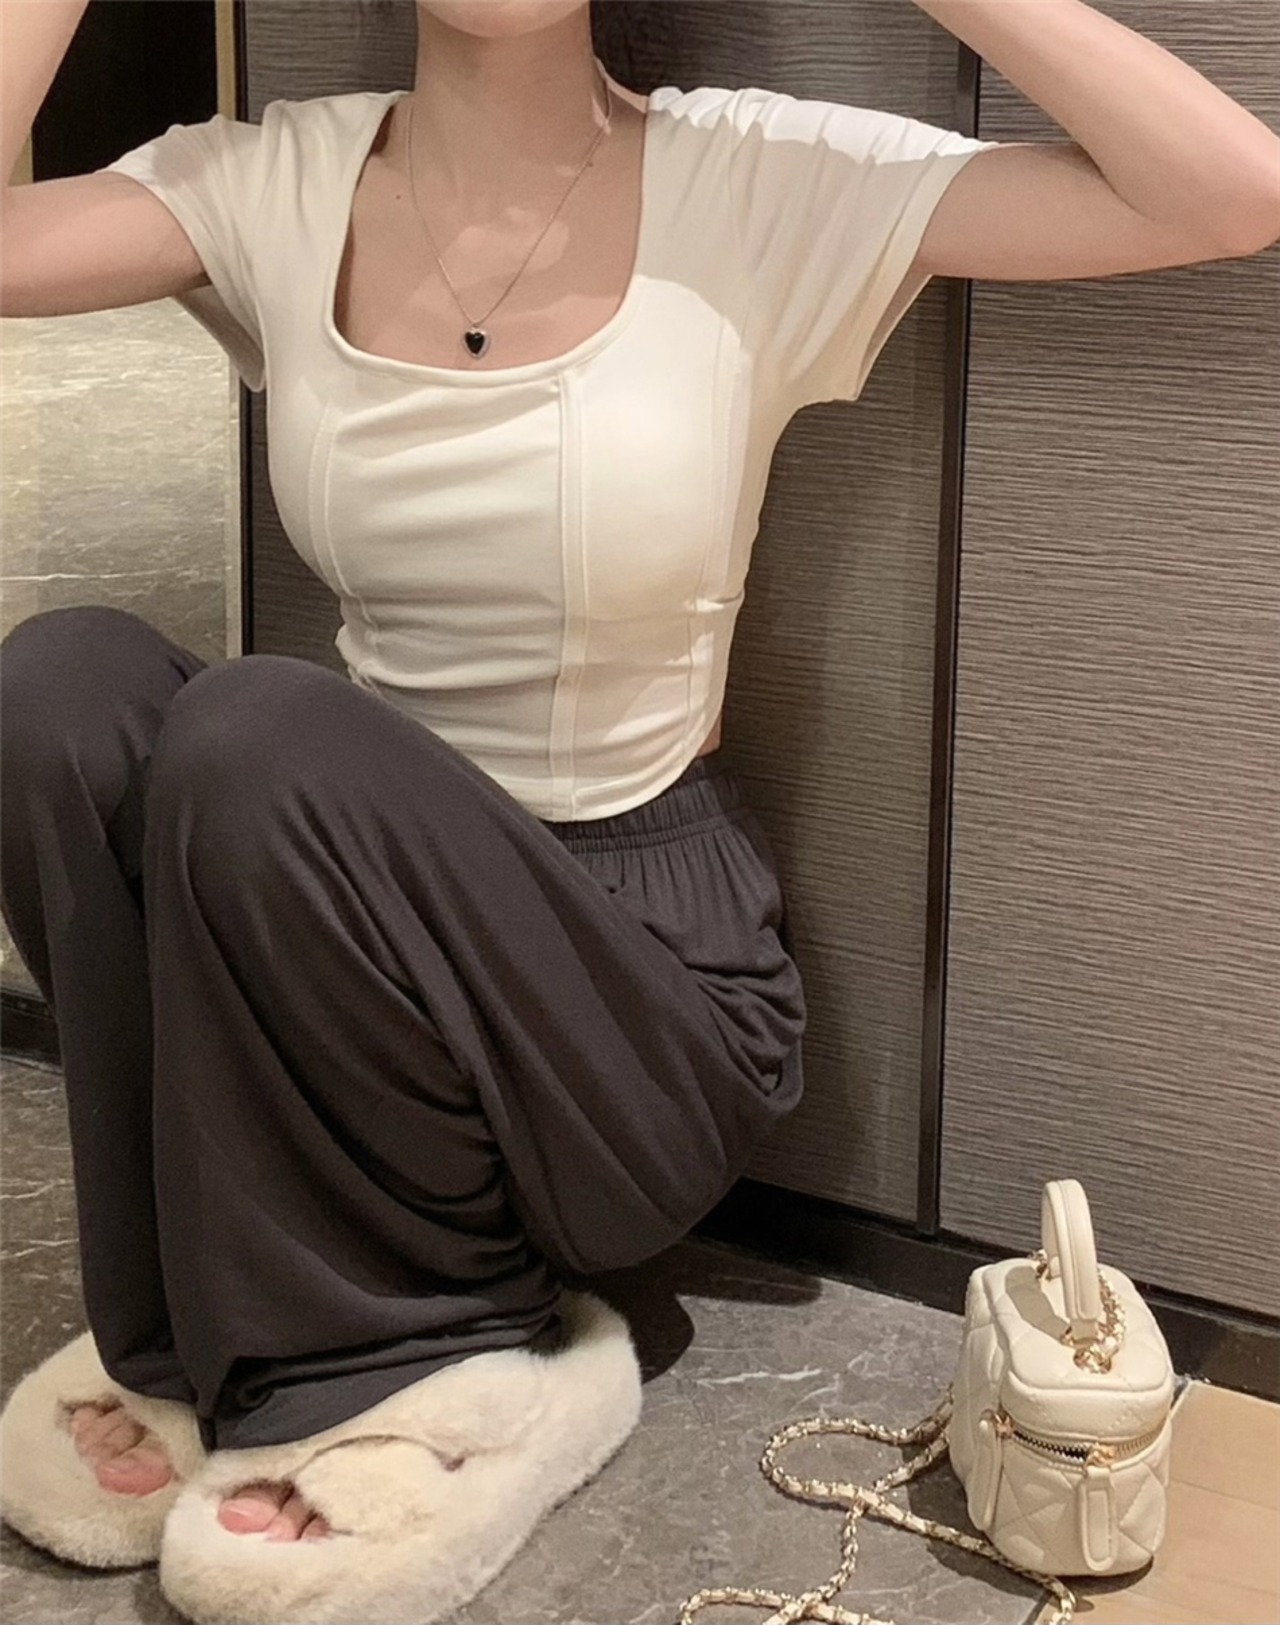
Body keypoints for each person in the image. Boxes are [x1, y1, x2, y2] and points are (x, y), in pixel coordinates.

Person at [5, 0, 1271, 1616]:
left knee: (256, 734)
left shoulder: (757, 181)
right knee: (64, 687)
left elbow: (1227, 190)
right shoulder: (276, 182)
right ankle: (197, 1324)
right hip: (325, 926)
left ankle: (410, 1351)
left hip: (632, 1005)